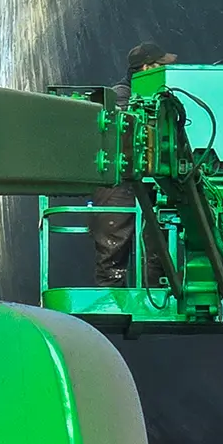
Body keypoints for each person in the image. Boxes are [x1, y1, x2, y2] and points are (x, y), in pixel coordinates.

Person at [92, 43, 178, 288]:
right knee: (113, 240)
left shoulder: (159, 97)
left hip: (148, 178)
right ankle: (110, 297)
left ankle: (156, 289)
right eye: (162, 66)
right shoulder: (119, 96)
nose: (168, 71)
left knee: (157, 239)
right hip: (118, 180)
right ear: (147, 67)